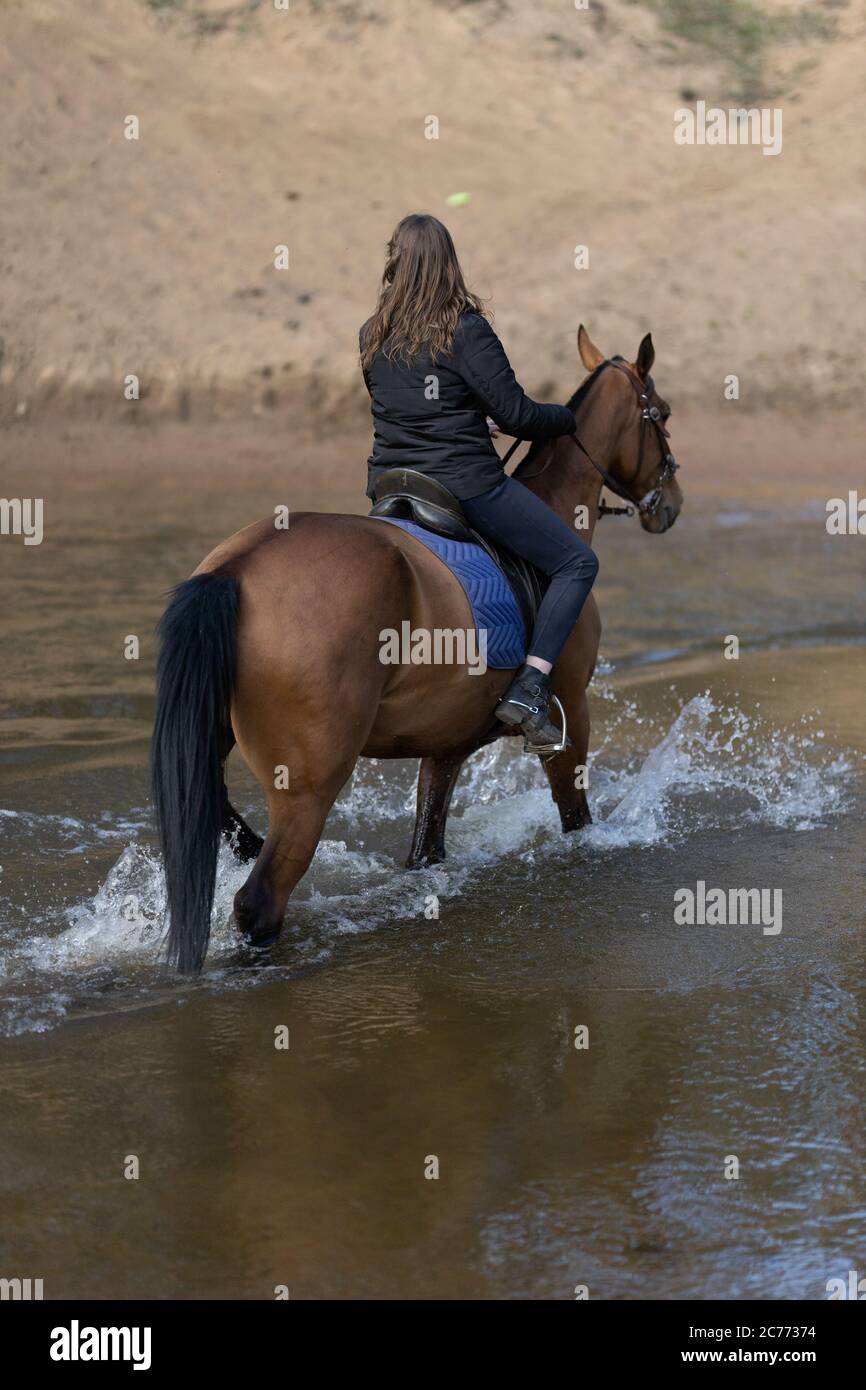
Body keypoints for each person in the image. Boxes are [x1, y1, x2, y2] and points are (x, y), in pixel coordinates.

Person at [360, 213, 599, 749]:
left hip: (392, 488)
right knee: (577, 562)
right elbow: (517, 415)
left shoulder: (370, 334)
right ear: (449, 264)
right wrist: (566, 417)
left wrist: (470, 419)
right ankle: (532, 686)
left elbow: (406, 411)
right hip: (462, 485)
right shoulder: (465, 330)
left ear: (395, 262)